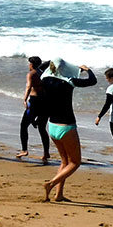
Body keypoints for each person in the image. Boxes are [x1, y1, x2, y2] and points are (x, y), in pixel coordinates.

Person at [39, 58, 97, 202]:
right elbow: (92, 81)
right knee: (75, 162)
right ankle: (50, 184)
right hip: (66, 127)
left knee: (64, 162)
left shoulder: (44, 79)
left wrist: (49, 62)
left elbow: (39, 68)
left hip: (52, 126)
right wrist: (87, 69)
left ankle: (59, 195)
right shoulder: (68, 81)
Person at [16, 56, 50, 163]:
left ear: (31, 64)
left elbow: (29, 86)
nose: (28, 65)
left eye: (29, 63)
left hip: (35, 101)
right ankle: (46, 153)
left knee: (23, 125)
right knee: (42, 128)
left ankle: (24, 150)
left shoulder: (31, 74)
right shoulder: (44, 73)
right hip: (45, 102)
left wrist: (25, 99)